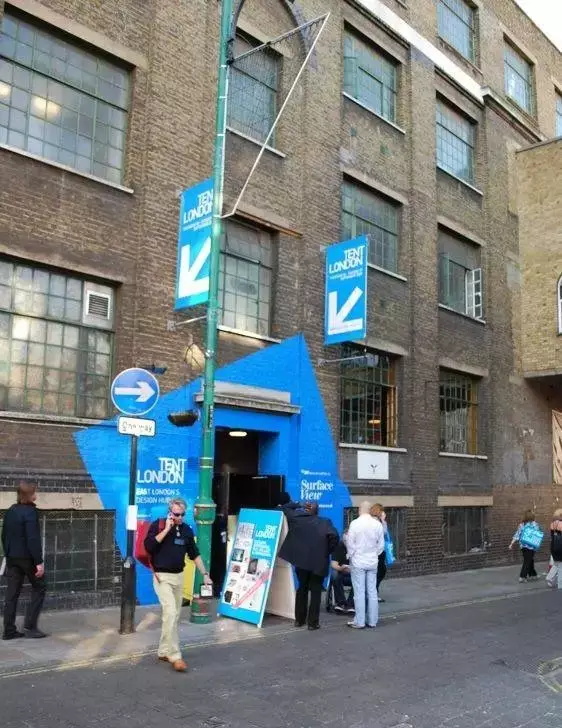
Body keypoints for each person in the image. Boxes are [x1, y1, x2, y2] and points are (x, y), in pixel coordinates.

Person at [144, 498, 212, 672]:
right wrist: (167, 529)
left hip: (178, 577)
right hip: (162, 577)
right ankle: (175, 655)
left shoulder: (187, 530)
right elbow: (149, 546)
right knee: (170, 612)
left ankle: (163, 650)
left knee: (173, 617)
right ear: (170, 513)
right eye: (176, 514)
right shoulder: (158, 525)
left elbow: (194, 554)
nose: (179, 517)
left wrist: (205, 574)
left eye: (182, 514)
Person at [279, 500, 339, 630]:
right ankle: (313, 623)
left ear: (305, 509)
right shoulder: (325, 522)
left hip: (301, 561)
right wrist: (327, 551)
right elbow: (334, 537)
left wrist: (298, 504)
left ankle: (299, 620)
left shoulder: (296, 518)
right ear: (317, 511)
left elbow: (284, 507)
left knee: (302, 588)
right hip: (318, 562)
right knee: (316, 591)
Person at [2, 482, 47, 640]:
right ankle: (30, 627)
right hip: (27, 558)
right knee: (40, 586)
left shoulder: (11, 510)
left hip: (12, 557)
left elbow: (4, 535)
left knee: (12, 594)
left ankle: (8, 630)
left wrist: (8, 554)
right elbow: (33, 539)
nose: (36, 495)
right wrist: (39, 562)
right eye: (34, 492)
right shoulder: (30, 512)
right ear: (29, 495)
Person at [346, 501, 385, 630]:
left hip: (358, 561)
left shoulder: (355, 523)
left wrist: (352, 556)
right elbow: (381, 546)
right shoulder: (377, 524)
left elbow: (350, 543)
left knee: (359, 593)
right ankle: (372, 621)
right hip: (372, 561)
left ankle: (360, 621)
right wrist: (374, 555)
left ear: (360, 510)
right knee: (372, 592)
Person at [509, 509, 540, 583]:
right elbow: (537, 535)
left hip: (523, 546)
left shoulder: (521, 525)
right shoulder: (535, 524)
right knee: (527, 561)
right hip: (531, 546)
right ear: (532, 516)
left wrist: (511, 543)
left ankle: (533, 574)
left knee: (530, 560)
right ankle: (522, 576)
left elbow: (517, 534)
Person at [330, 530, 354, 614]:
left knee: (360, 578)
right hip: (341, 573)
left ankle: (351, 604)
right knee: (334, 574)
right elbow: (333, 564)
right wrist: (341, 568)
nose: (346, 542)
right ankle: (341, 603)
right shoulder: (339, 547)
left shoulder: (358, 547)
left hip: (354, 574)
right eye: (345, 540)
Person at [370, 503, 388, 603]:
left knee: (379, 572)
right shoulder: (377, 522)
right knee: (380, 572)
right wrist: (383, 520)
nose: (383, 513)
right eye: (382, 511)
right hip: (377, 552)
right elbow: (384, 532)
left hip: (375, 551)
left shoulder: (374, 520)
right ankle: (374, 593)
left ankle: (373, 592)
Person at [546, 509, 562, 589]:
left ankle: (549, 577)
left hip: (554, 546)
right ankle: (560, 584)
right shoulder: (561, 524)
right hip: (560, 547)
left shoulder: (552, 524)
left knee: (556, 564)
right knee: (561, 566)